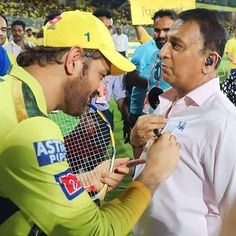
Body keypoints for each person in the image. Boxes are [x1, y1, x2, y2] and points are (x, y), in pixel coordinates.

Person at [0, 10, 180, 235]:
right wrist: (151, 174)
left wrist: (83, 181)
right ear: (74, 59)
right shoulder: (30, 126)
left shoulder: (8, 91)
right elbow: (96, 230)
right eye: (102, 75)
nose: (100, 90)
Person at [132, 8, 236, 236]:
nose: (162, 53)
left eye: (176, 45)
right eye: (167, 42)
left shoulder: (224, 121)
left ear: (209, 61)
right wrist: (137, 145)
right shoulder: (166, 102)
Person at [126, 9, 176, 158]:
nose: (161, 35)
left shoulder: (182, 58)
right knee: (143, 162)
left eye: (166, 30)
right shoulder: (153, 53)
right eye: (157, 30)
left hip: (170, 122)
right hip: (149, 116)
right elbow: (133, 78)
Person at [92, 8, 130, 134]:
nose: (107, 32)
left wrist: (126, 118)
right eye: (102, 27)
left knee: (102, 153)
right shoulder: (78, 56)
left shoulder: (114, 59)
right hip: (82, 117)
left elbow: (120, 93)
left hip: (104, 116)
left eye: (109, 27)